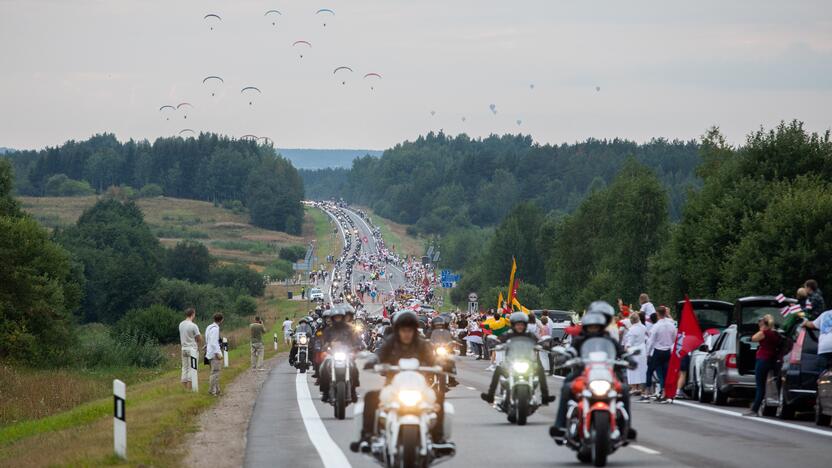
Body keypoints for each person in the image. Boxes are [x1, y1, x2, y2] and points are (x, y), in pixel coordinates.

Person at [351, 310, 440, 452]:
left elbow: (433, 360)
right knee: (370, 398)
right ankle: (366, 436)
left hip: (419, 387)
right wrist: (374, 360)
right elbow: (380, 354)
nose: (406, 333)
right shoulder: (390, 343)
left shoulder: (422, 344)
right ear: (397, 330)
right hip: (393, 387)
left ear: (414, 330)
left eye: (409, 330)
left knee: (439, 397)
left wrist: (441, 364)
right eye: (403, 330)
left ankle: (438, 438)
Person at [550, 303, 635, 442]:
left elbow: (621, 351)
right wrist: (565, 357)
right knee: (566, 387)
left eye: (596, 326)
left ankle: (626, 427)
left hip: (608, 373)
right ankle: (560, 426)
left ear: (601, 326)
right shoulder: (580, 339)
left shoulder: (609, 339)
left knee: (624, 389)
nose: (593, 329)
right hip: (584, 372)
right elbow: (572, 350)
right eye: (591, 326)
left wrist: (629, 358)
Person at [480, 312, 554, 405]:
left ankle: (545, 397)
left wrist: (543, 345)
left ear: (525, 325)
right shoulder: (508, 334)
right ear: (513, 324)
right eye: (517, 324)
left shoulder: (530, 335)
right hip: (511, 362)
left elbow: (538, 342)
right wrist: (496, 344)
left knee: (540, 370)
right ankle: (490, 396)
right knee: (498, 369)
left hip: (528, 361)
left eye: (522, 324)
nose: (520, 326)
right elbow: (499, 341)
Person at [319, 308, 362, 403]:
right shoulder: (328, 330)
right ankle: (325, 392)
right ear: (333, 318)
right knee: (323, 367)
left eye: (339, 317)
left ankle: (353, 390)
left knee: (354, 367)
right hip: (332, 353)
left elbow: (356, 340)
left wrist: (357, 346)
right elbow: (324, 342)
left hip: (346, 353)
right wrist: (324, 347)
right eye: (336, 317)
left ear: (342, 317)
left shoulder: (350, 329)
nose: (337, 319)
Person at [746, 314, 780, 416]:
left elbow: (753, 338)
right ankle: (760, 406)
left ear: (763, 323)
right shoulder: (775, 334)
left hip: (762, 359)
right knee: (768, 384)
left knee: (760, 386)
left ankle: (754, 409)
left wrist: (762, 329)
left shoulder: (764, 333)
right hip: (772, 359)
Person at [644, 306, 676, 400]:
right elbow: (674, 337)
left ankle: (646, 393)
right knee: (665, 372)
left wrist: (647, 353)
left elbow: (651, 341)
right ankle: (665, 392)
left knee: (650, 371)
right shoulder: (671, 324)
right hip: (668, 351)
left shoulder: (656, 326)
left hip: (658, 351)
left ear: (657, 314)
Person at [623, 313, 647, 395]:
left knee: (632, 369)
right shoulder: (644, 327)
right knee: (641, 369)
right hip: (642, 349)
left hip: (634, 350)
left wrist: (626, 347)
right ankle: (640, 387)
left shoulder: (632, 329)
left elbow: (630, 341)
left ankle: (633, 387)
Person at [178, 308, 202, 390]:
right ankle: (190, 388)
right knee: (193, 368)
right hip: (192, 349)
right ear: (193, 314)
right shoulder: (193, 325)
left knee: (184, 368)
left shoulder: (181, 324)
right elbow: (199, 338)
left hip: (183, 348)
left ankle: (184, 389)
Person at [803, 308, 832, 372]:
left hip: (824, 348)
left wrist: (805, 322)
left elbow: (812, 324)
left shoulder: (825, 314)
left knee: (823, 375)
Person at [205, 313, 224, 396]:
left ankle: (217, 390)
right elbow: (213, 342)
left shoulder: (209, 327)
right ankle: (212, 391)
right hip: (214, 353)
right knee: (215, 372)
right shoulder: (216, 329)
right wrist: (217, 353)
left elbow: (207, 339)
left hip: (209, 352)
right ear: (221, 320)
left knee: (214, 372)